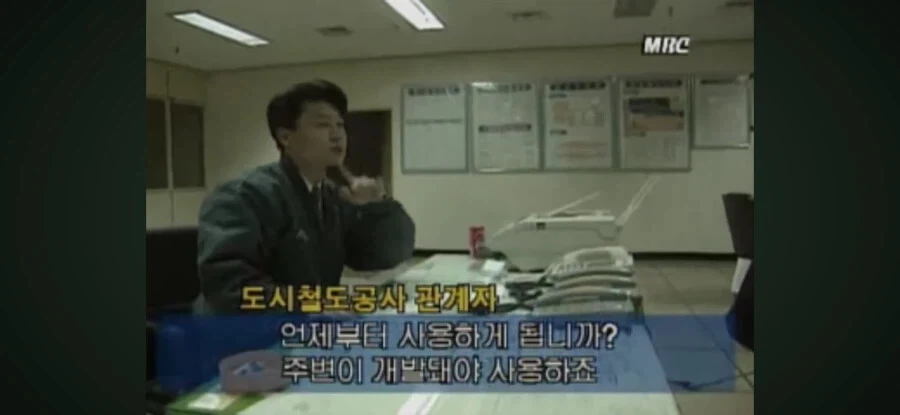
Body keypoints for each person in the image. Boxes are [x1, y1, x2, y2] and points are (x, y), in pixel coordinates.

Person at [194, 80, 416, 314]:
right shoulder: (243, 195)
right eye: (323, 124)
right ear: (285, 137)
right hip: (244, 331)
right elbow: (230, 288)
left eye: (340, 125)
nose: (337, 135)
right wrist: (312, 308)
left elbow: (382, 256)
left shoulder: (330, 196)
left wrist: (377, 207)